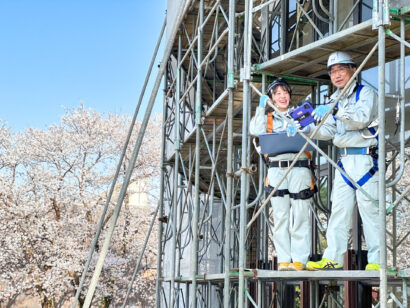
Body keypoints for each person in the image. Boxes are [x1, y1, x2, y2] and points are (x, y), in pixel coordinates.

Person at [305, 51, 380, 271]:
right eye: (333, 72)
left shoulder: (365, 94)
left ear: (353, 71)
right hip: (345, 161)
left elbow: (361, 118)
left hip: (365, 159)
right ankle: (333, 257)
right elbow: (328, 130)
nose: (336, 75)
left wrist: (335, 109)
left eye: (341, 70)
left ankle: (377, 261)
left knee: (370, 211)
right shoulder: (332, 100)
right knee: (338, 212)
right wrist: (307, 128)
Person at [249, 78, 315, 271]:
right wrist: (260, 109)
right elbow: (255, 130)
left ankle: (300, 260)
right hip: (277, 169)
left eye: (284, 92)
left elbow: (316, 129)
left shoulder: (300, 114)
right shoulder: (269, 119)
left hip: (300, 168)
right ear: (271, 98)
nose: (282, 96)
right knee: (281, 217)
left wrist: (303, 127)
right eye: (277, 93)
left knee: (301, 215)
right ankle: (284, 260)